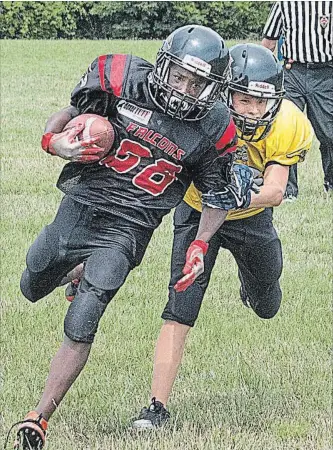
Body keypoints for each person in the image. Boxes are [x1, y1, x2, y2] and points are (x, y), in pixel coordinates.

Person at [12, 25, 257, 450]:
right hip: (83, 205)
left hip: (129, 228)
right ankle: (73, 272)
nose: (184, 89)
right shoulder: (120, 75)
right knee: (31, 283)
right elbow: (68, 115)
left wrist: (199, 244)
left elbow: (217, 195)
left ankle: (39, 416)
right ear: (163, 65)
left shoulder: (214, 127)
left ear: (213, 88)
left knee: (86, 314)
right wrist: (54, 142)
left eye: (197, 82)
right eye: (179, 76)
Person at [132, 43, 314, 429]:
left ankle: (252, 289)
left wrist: (236, 193)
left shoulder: (287, 122)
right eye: (241, 97)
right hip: (199, 212)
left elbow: (276, 191)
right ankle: (156, 406)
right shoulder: (204, 115)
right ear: (223, 91)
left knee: (268, 302)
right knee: (180, 304)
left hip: (250, 216)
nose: (249, 109)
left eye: (258, 101)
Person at [262, 1, 333, 200]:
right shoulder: (285, 4)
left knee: (329, 133)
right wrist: (264, 75)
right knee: (285, 130)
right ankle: (287, 189)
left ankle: (331, 182)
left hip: (325, 74)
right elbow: (269, 41)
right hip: (293, 72)